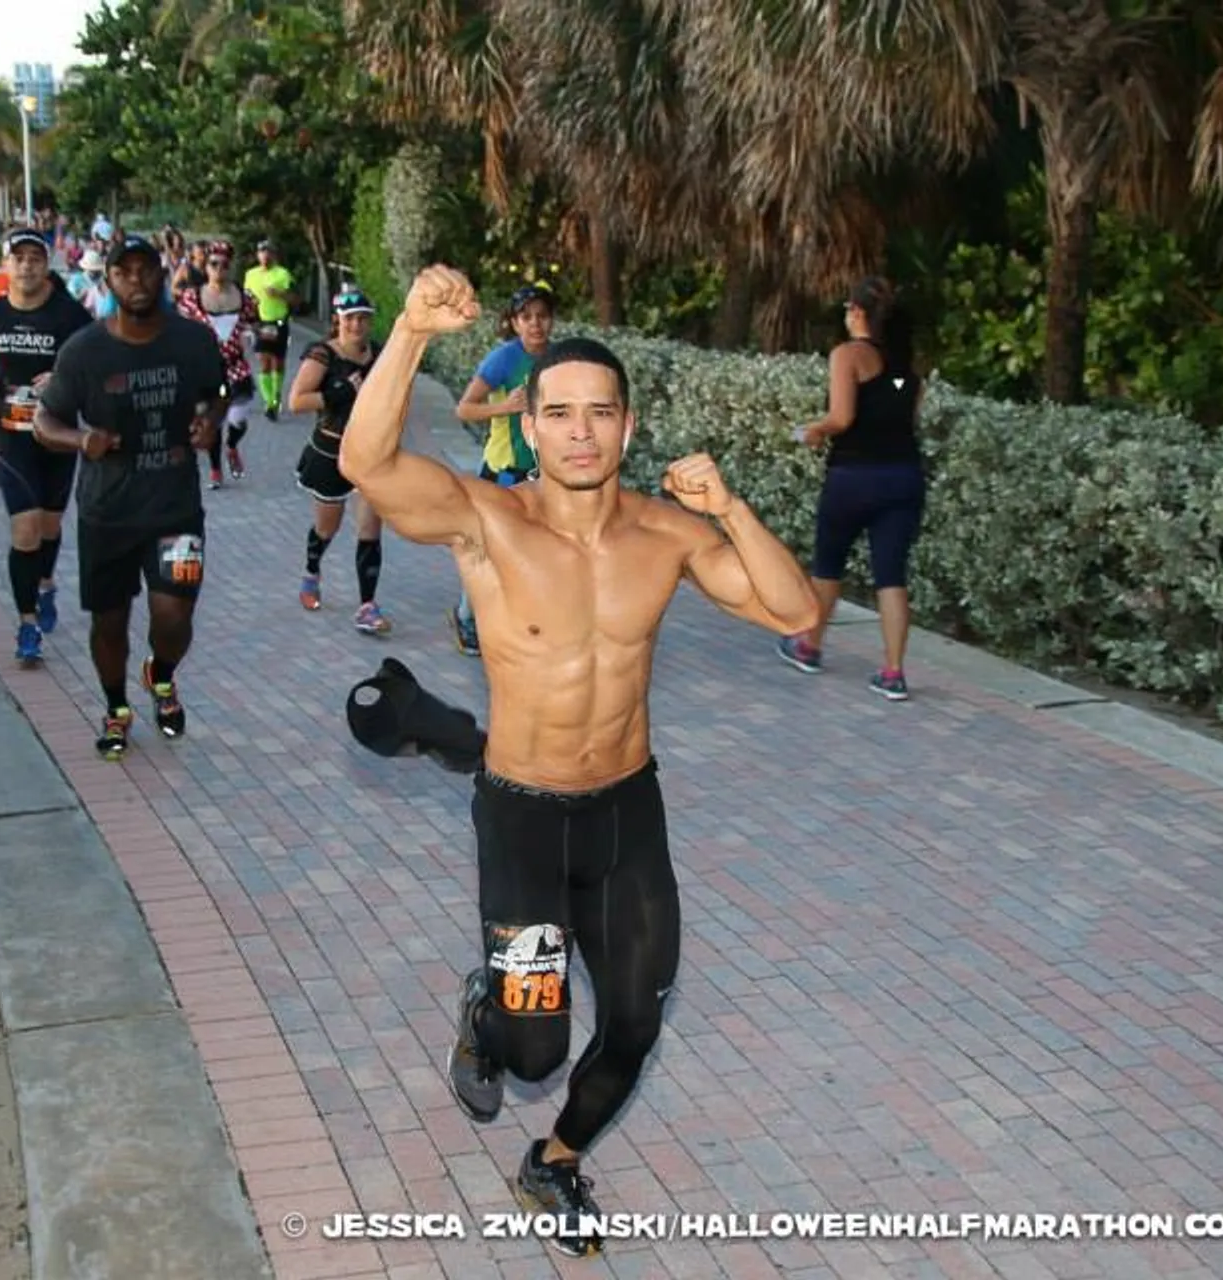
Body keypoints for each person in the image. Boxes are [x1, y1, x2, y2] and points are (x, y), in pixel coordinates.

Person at [339, 265, 820, 1258]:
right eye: (559, 413)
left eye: (601, 413)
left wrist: (729, 507)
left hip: (625, 816)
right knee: (534, 1050)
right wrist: (411, 332)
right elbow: (366, 462)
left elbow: (793, 610)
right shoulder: (489, 521)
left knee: (635, 1022)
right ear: (533, 425)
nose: (581, 432)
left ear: (627, 428)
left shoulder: (667, 533)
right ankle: (490, 1011)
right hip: (522, 817)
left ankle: (553, 1161)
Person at [34, 234, 227, 761]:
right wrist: (81, 440)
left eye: (145, 270)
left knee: (174, 616)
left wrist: (210, 420)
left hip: (175, 505)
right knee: (110, 620)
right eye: (124, 272)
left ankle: (161, 675)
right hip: (108, 511)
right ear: (109, 280)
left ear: (162, 275)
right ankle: (116, 707)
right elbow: (44, 421)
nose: (136, 280)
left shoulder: (193, 340)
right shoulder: (84, 351)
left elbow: (218, 392)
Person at [776, 275, 926, 701]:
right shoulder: (909, 372)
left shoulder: (848, 355)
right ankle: (894, 672)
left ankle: (809, 646)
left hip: (854, 477)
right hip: (903, 477)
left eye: (847, 308)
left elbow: (842, 417)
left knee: (828, 565)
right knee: (891, 575)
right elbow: (906, 421)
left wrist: (812, 431)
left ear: (857, 312)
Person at [0, 228, 95, 664]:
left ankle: (46, 582)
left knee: (49, 526)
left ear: (47, 265)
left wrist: (64, 377)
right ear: (5, 264)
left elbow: (95, 359)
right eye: (19, 258)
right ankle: (27, 623)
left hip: (56, 432)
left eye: (35, 258)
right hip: (8, 433)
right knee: (26, 527)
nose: (27, 266)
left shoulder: (69, 315)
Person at [447, 281, 557, 657]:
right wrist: (505, 407)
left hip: (545, 472)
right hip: (504, 469)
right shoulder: (503, 360)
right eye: (526, 317)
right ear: (513, 322)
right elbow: (464, 409)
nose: (535, 324)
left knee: (538, 548)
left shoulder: (560, 359)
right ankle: (466, 616)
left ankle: (525, 620)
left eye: (542, 316)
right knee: (489, 547)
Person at [289, 287, 389, 635]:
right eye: (350, 319)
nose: (357, 325)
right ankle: (311, 572)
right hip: (330, 452)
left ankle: (367, 606)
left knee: (370, 529)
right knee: (327, 528)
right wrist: (340, 391)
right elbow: (297, 401)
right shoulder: (323, 354)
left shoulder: (379, 353)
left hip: (370, 454)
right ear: (338, 320)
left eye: (363, 318)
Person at [174, 240, 261, 488]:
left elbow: (254, 323)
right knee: (211, 421)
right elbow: (180, 329)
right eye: (214, 264)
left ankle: (232, 445)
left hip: (236, 367)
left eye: (224, 265)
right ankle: (215, 470)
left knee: (238, 419)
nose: (219, 269)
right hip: (207, 369)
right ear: (206, 266)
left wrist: (253, 335)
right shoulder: (192, 297)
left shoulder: (244, 297)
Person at [244, 240, 304, 419]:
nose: (265, 255)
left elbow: (297, 299)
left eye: (268, 252)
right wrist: (249, 311)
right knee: (263, 361)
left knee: (277, 362)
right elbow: (246, 297)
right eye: (262, 252)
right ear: (257, 255)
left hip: (279, 323)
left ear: (274, 255)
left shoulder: (282, 274)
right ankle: (269, 402)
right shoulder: (251, 275)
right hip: (260, 323)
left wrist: (280, 294)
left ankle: (276, 395)